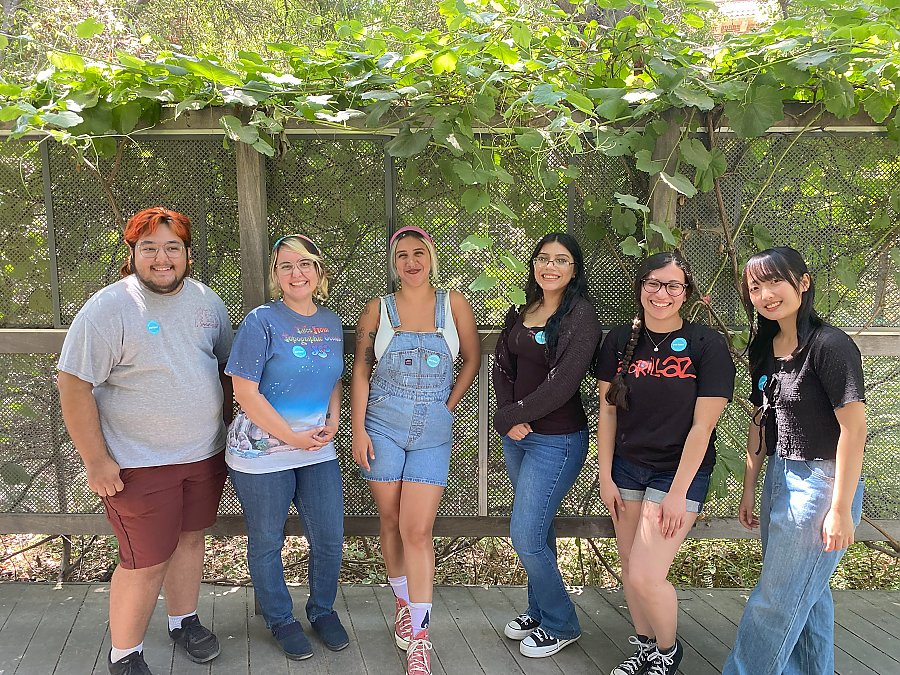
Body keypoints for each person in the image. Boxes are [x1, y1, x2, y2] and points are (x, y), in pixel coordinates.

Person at [57, 207, 232, 675]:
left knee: (191, 542)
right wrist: (96, 461)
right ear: (132, 252)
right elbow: (73, 384)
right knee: (144, 562)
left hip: (204, 454)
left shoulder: (208, 303)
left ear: (187, 254)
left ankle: (183, 620)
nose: (161, 257)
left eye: (171, 247)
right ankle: (125, 655)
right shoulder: (109, 308)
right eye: (149, 247)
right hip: (138, 464)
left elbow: (224, 371)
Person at [723, 247, 866, 675]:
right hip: (778, 478)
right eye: (754, 287)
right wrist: (750, 486)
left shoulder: (830, 345)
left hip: (821, 484)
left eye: (774, 282)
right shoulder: (765, 346)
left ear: (802, 283)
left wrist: (840, 509)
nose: (765, 294)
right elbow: (761, 417)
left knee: (776, 601)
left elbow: (853, 430)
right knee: (809, 594)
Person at [595, 251, 735, 675]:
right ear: (640, 287)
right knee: (628, 566)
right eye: (653, 283)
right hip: (626, 469)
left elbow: (703, 426)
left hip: (680, 474)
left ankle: (668, 653)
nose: (662, 294)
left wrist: (677, 493)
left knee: (645, 574)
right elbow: (607, 412)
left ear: (686, 293)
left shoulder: (706, 345)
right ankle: (645, 648)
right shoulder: (619, 341)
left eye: (673, 286)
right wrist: (604, 476)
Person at [351, 226, 479, 675]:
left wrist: (448, 404)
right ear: (394, 263)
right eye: (402, 255)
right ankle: (403, 604)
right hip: (382, 430)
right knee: (390, 522)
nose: (411, 261)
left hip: (432, 435)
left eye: (418, 253)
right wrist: (358, 430)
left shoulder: (454, 304)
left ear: (431, 257)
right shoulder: (378, 310)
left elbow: (472, 360)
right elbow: (362, 371)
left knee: (418, 531)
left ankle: (420, 637)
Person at [225, 234, 348, 660]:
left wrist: (333, 420)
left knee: (331, 538)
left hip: (316, 449)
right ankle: (280, 618)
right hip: (262, 453)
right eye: (286, 266)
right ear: (276, 275)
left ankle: (322, 610)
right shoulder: (261, 320)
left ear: (318, 271)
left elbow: (333, 380)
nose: (296, 273)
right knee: (266, 540)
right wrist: (291, 437)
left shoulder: (331, 322)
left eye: (305, 264)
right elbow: (245, 391)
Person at [493, 232, 602, 659]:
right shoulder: (525, 310)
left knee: (525, 535)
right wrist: (511, 417)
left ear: (574, 269)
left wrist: (511, 416)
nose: (550, 266)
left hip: (557, 442)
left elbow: (563, 385)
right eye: (543, 259)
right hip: (519, 438)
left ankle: (561, 622)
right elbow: (504, 364)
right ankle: (538, 610)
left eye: (560, 260)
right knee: (538, 528)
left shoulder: (581, 317)